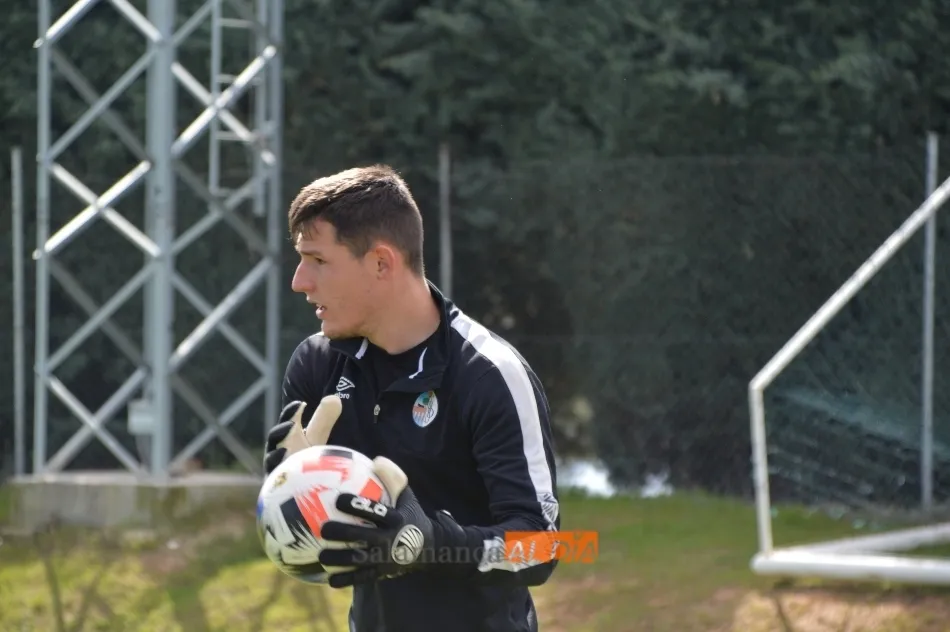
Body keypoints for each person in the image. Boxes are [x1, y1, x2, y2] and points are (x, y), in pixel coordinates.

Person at [263, 164, 561, 632]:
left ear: (382, 263)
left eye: (317, 260)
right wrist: (294, 492)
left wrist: (431, 545)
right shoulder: (316, 366)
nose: (300, 281)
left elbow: (544, 547)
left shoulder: (490, 374)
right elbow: (326, 553)